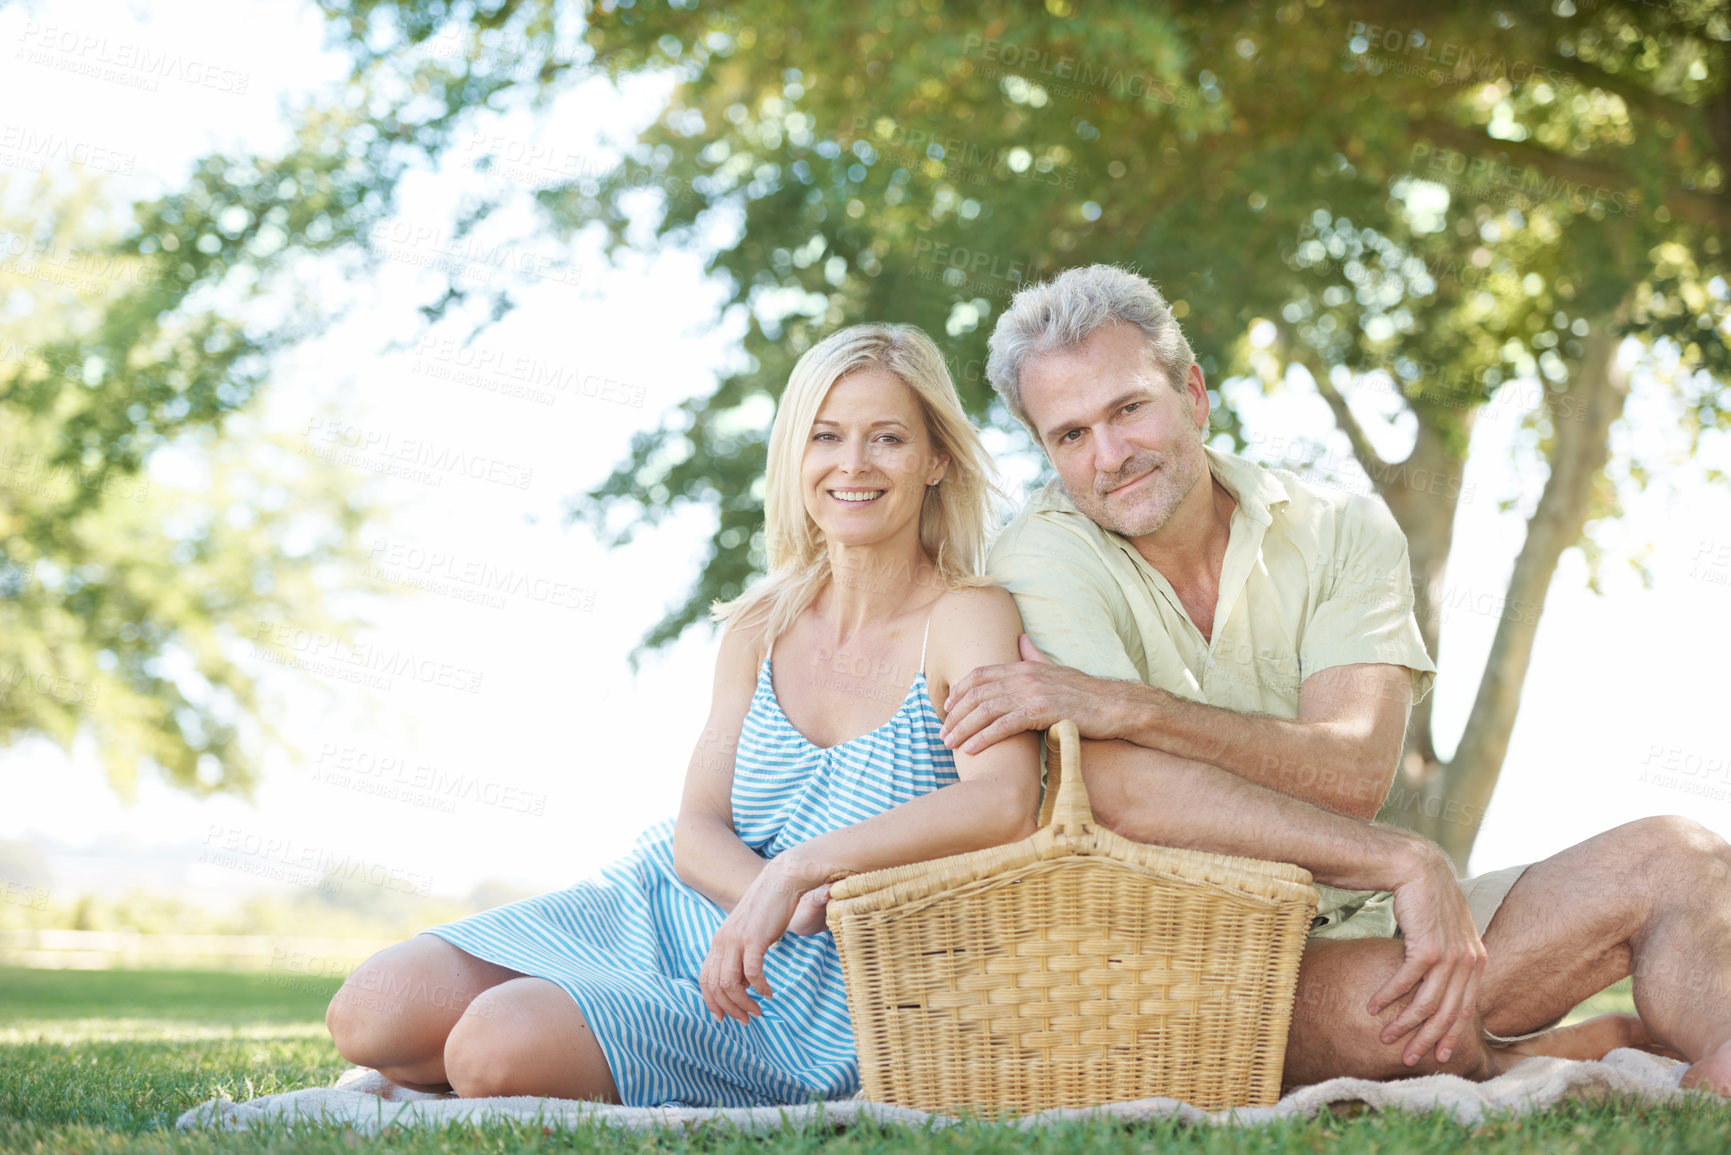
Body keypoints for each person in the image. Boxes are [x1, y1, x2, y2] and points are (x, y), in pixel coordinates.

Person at [938, 264, 1731, 1095]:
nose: (1110, 455)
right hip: (1207, 962)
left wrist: (1133, 707)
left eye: (1128, 407)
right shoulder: (1037, 557)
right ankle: (1541, 1049)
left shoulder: (1339, 528)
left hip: (1372, 919)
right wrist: (1400, 858)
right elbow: (1126, 794)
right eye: (1069, 435)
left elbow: (1347, 771)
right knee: (1407, 1026)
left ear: (1194, 395)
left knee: (1681, 857)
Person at [324, 324, 1041, 1106]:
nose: (853, 464)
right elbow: (696, 828)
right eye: (825, 436)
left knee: (494, 1049)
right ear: (794, 457)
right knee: (372, 1012)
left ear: (936, 459)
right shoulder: (758, 624)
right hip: (665, 911)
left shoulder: (967, 614)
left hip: (817, 986)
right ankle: (564, 1023)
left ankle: (554, 1037)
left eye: (888, 438)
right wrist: (766, 894)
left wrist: (800, 872)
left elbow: (1002, 798)